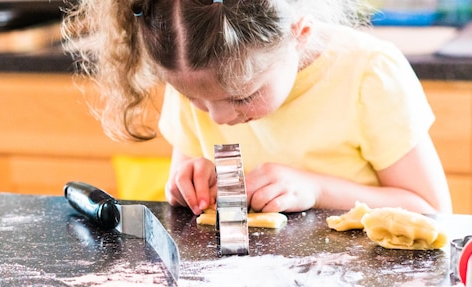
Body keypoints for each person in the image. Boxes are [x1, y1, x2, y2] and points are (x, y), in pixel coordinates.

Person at [61, 0, 453, 215]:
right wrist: (191, 183)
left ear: (298, 35)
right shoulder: (197, 79)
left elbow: (431, 209)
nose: (217, 117)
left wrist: (316, 189)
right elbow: (188, 184)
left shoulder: (369, 76)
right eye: (193, 99)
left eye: (243, 97)